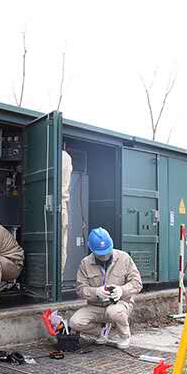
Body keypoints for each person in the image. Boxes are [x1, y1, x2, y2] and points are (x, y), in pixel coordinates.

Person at [68, 227, 142, 349]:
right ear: (92, 250)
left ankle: (125, 336)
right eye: (100, 254)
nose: (104, 256)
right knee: (75, 322)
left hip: (120, 304)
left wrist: (121, 290)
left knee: (113, 311)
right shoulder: (85, 263)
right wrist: (96, 292)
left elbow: (137, 283)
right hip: (95, 306)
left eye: (107, 252)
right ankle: (102, 332)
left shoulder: (124, 258)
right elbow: (80, 289)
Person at [61, 146, 73, 280]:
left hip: (59, 207)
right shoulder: (66, 157)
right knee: (61, 245)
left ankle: (56, 281)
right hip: (62, 207)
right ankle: (58, 278)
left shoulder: (62, 157)